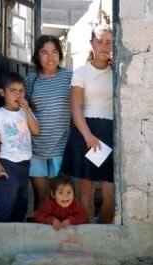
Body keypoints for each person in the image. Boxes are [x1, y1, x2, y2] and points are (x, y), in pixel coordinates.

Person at [61, 24, 114, 224]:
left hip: (110, 131)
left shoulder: (117, 71)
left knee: (111, 196)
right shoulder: (81, 72)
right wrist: (87, 135)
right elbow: (75, 107)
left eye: (108, 42)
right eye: (99, 41)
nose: (104, 46)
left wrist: (120, 68)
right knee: (86, 192)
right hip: (86, 132)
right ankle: (88, 236)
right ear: (92, 43)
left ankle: (103, 235)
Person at [25, 35, 72, 210]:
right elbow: (24, 110)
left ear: (60, 54)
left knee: (59, 197)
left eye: (54, 52)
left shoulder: (69, 77)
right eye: (44, 52)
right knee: (42, 197)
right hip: (35, 147)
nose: (50, 57)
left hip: (60, 146)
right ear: (37, 56)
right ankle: (40, 234)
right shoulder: (31, 80)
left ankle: (60, 236)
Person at [0, 72, 40, 222]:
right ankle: (1, 232)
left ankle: (17, 231)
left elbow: (36, 131)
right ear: (2, 92)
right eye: (13, 90)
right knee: (5, 201)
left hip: (25, 165)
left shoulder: (26, 112)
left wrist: (27, 110)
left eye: (21, 91)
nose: (18, 94)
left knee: (21, 203)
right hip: (7, 164)